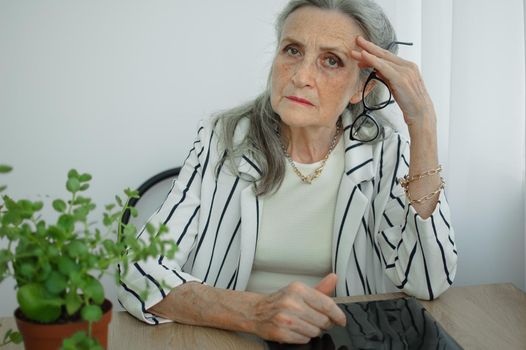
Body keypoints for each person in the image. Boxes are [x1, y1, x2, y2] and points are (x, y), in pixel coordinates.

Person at [119, 0, 457, 344]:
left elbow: (428, 281)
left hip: (343, 341)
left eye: (331, 60)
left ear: (362, 88)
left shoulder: (386, 151)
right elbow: (137, 270)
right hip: (230, 338)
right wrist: (254, 313)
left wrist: (423, 126)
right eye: (293, 50)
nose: (300, 76)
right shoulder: (221, 138)